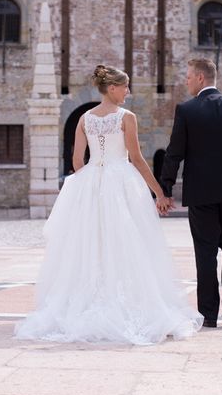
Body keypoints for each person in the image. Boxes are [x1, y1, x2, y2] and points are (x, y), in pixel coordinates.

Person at [14, 65, 202, 345]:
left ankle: (88, 302)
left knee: (91, 245)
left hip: (91, 184)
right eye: (125, 87)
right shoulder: (127, 118)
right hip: (122, 183)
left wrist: (90, 182)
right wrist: (159, 194)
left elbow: (77, 161)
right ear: (112, 88)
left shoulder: (84, 119)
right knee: (128, 244)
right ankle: (124, 304)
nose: (128, 91)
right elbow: (137, 160)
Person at [161, 58, 222, 328]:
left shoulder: (186, 110)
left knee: (205, 251)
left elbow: (174, 153)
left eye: (189, 77)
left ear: (201, 79)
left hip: (201, 190)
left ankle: (208, 314)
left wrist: (165, 189)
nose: (187, 81)